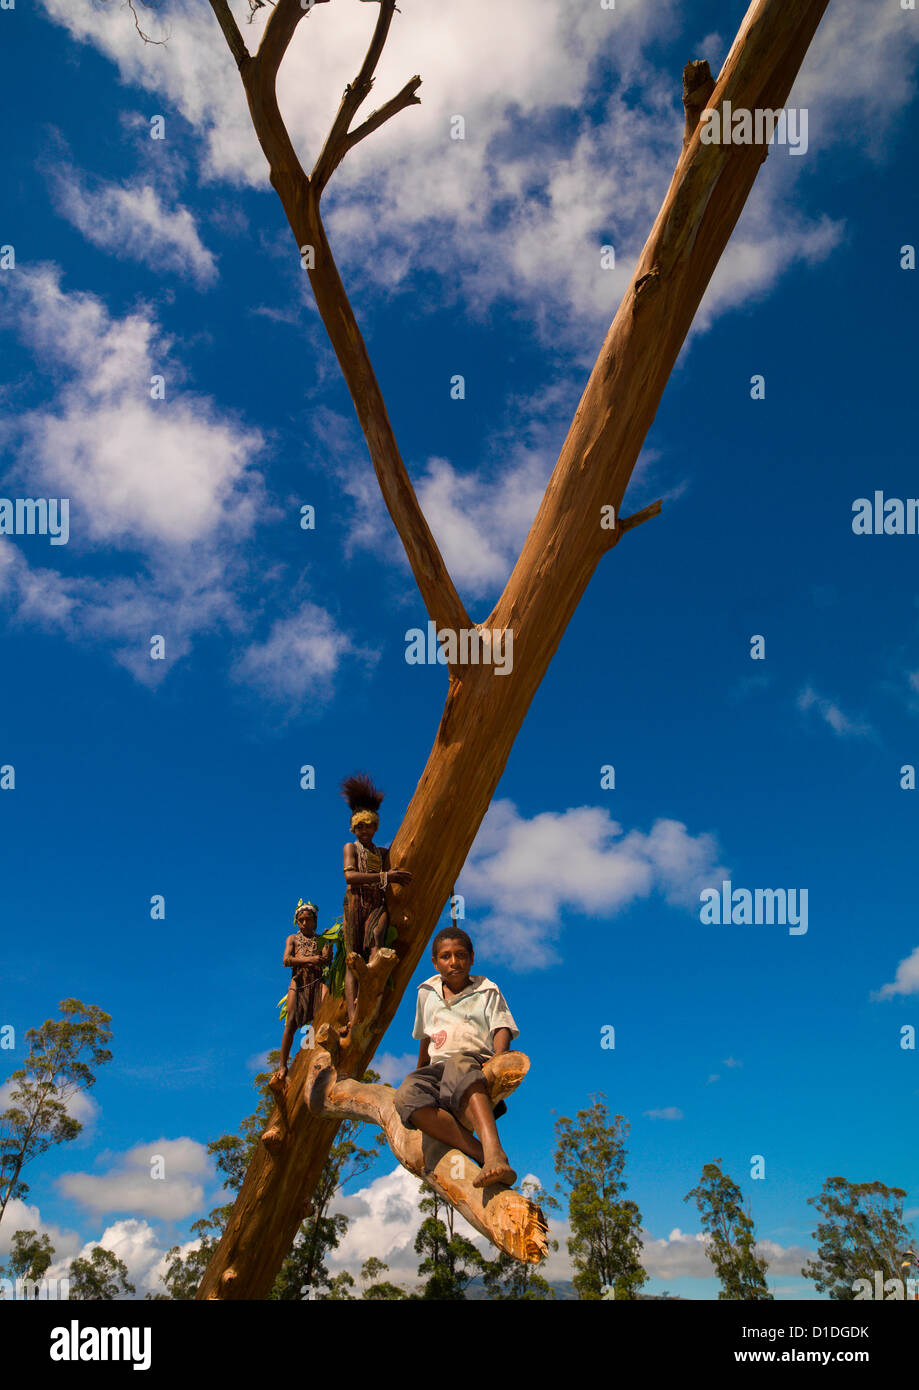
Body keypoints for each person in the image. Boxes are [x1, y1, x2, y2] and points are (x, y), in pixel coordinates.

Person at [394, 927, 518, 1188]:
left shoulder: (487, 989)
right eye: (446, 956)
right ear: (435, 962)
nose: (454, 962)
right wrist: (418, 1072)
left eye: (461, 955)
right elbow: (425, 1036)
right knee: (406, 1093)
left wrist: (499, 1059)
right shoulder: (426, 992)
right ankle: (478, 1152)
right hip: (438, 1068)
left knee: (460, 1064)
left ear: (472, 958)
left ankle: (495, 1152)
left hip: (474, 1060)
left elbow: (501, 1027)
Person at [340, 773, 412, 1037]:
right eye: (360, 827)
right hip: (355, 904)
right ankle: (351, 1015)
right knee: (352, 958)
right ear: (354, 829)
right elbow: (350, 876)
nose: (365, 831)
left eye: (369, 826)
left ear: (375, 827)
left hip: (376, 905)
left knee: (377, 943)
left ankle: (369, 996)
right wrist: (385, 876)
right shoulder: (351, 848)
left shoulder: (382, 854)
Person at [274, 900, 331, 1085]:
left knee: (318, 1019)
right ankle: (283, 1065)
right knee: (291, 1022)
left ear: (315, 920)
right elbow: (286, 960)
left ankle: (309, 1056)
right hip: (298, 982)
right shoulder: (292, 939)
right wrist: (309, 960)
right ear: (297, 922)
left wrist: (326, 948)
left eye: (308, 919)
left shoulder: (322, 939)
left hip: (317, 981)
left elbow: (325, 960)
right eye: (301, 920)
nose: (304, 923)